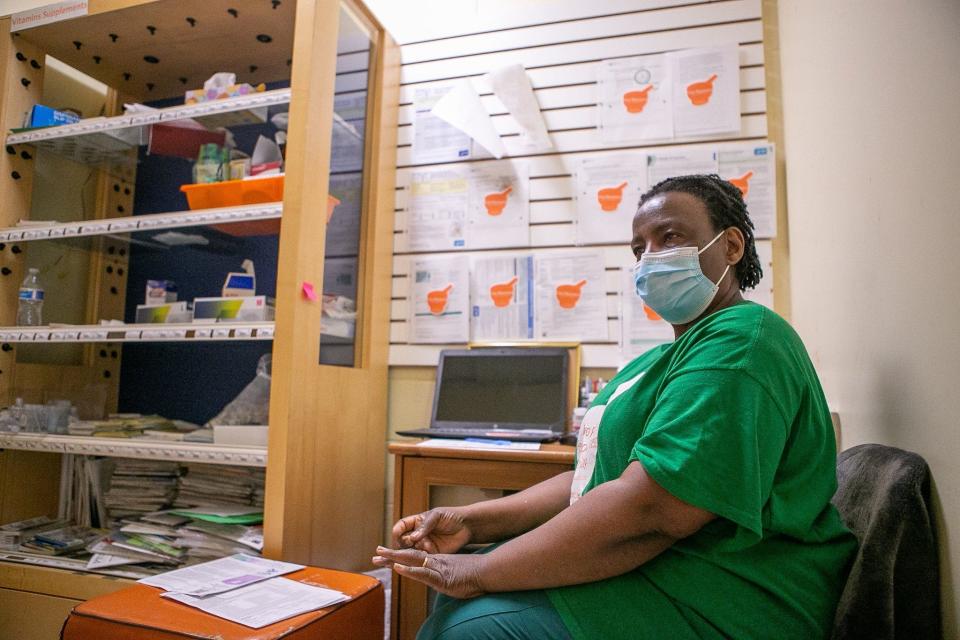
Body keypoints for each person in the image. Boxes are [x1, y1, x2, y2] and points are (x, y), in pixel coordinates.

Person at [374, 174, 857, 639]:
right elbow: (588, 479)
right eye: (639, 248)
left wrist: (481, 570)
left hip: (729, 595)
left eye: (670, 237)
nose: (650, 258)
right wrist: (475, 522)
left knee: (470, 625)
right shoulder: (653, 363)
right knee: (457, 599)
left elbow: (653, 505)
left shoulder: (742, 340)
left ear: (731, 247)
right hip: (669, 570)